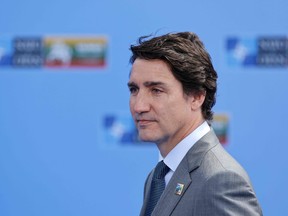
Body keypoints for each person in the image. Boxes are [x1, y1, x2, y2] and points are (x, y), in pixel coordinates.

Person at [127, 32, 262, 216]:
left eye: (156, 90)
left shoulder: (221, 180)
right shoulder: (156, 177)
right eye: (134, 89)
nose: (139, 105)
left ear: (197, 96)